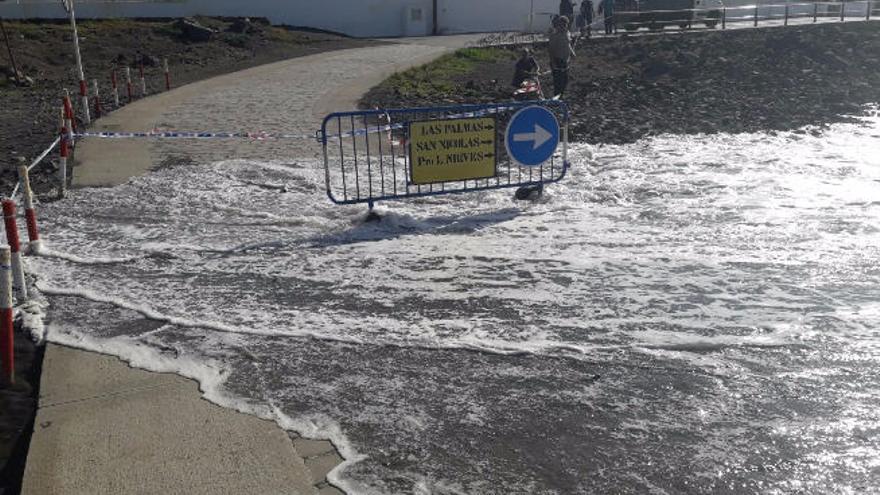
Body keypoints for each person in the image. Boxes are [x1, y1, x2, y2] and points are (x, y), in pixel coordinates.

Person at [547, 16, 575, 98]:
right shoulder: (554, 36)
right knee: (558, 82)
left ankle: (561, 96)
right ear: (558, 25)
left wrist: (572, 53)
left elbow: (568, 44)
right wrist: (553, 63)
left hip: (565, 61)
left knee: (565, 81)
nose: (564, 27)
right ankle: (557, 98)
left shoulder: (567, 33)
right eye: (562, 25)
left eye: (565, 25)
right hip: (557, 61)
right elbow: (551, 50)